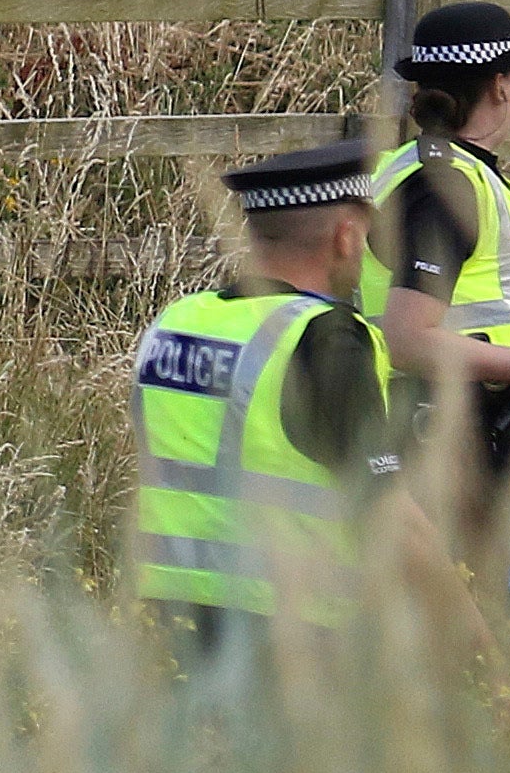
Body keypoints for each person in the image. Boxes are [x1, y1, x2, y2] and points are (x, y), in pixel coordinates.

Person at [132, 137, 402, 656]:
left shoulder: (179, 320)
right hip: (293, 632)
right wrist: (484, 655)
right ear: (346, 237)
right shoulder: (327, 338)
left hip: (168, 622)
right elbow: (392, 517)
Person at [365, 1, 510, 541]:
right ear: (500, 85)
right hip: (446, 432)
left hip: (435, 425)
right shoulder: (447, 187)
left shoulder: (415, 169)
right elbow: (406, 338)